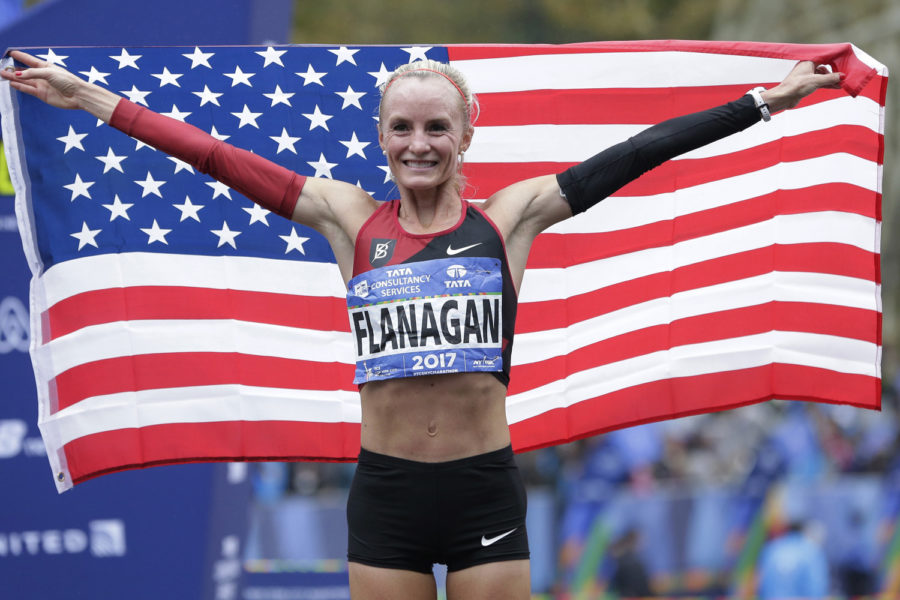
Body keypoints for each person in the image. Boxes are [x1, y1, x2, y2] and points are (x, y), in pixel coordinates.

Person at [2, 49, 841, 600]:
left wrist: (765, 102)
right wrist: (91, 99)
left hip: (482, 488)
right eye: (402, 128)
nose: (418, 143)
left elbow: (637, 153)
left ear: (465, 134)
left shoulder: (511, 217)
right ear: (382, 137)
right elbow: (219, 157)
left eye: (436, 127)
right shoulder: (346, 219)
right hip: (387, 498)